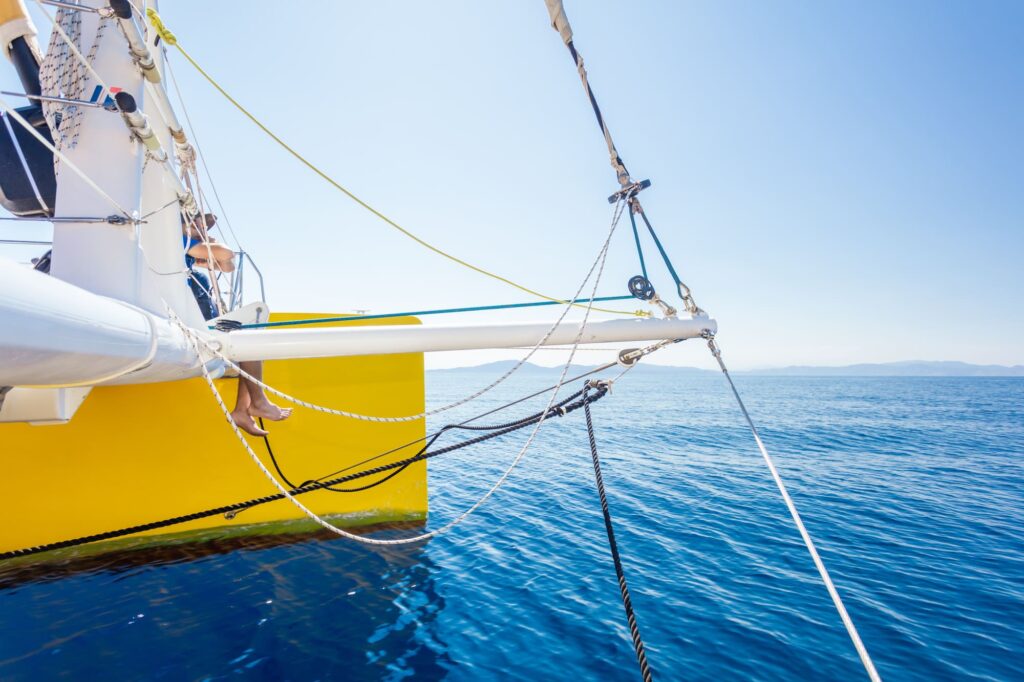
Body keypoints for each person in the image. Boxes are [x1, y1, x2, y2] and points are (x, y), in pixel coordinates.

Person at [181, 212, 292, 436]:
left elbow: (228, 266)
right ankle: (256, 402)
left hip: (203, 323)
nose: (203, 231)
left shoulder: (189, 251)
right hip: (196, 325)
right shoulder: (180, 242)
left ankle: (245, 409)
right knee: (256, 316)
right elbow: (226, 254)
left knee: (248, 335)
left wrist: (205, 249)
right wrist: (207, 247)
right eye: (198, 227)